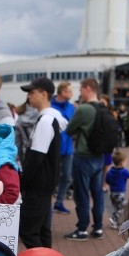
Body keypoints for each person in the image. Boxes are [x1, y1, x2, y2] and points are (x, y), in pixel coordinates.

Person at [17, 77, 67, 248]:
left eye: (32, 92)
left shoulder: (46, 121)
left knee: (28, 231)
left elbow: (35, 157)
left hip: (38, 185)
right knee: (42, 230)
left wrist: (22, 183)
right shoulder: (48, 119)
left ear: (44, 94)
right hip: (44, 184)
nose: (29, 96)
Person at [65, 78, 107, 241]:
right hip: (99, 157)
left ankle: (82, 229)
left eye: (81, 89)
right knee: (97, 194)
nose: (79, 93)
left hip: (83, 157)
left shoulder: (84, 109)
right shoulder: (104, 107)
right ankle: (98, 228)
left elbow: (69, 130)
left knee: (82, 194)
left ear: (88, 89)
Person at [51, 82, 75, 216]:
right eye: (69, 91)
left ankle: (59, 202)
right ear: (62, 92)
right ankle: (47, 202)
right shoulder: (50, 105)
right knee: (51, 176)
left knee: (67, 176)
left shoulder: (72, 107)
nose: (71, 94)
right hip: (54, 147)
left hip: (68, 148)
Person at [104, 149, 129, 229]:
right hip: (120, 194)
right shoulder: (123, 171)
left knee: (118, 207)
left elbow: (107, 180)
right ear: (121, 163)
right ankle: (114, 219)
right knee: (124, 206)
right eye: (125, 161)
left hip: (112, 194)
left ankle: (117, 221)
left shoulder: (111, 171)